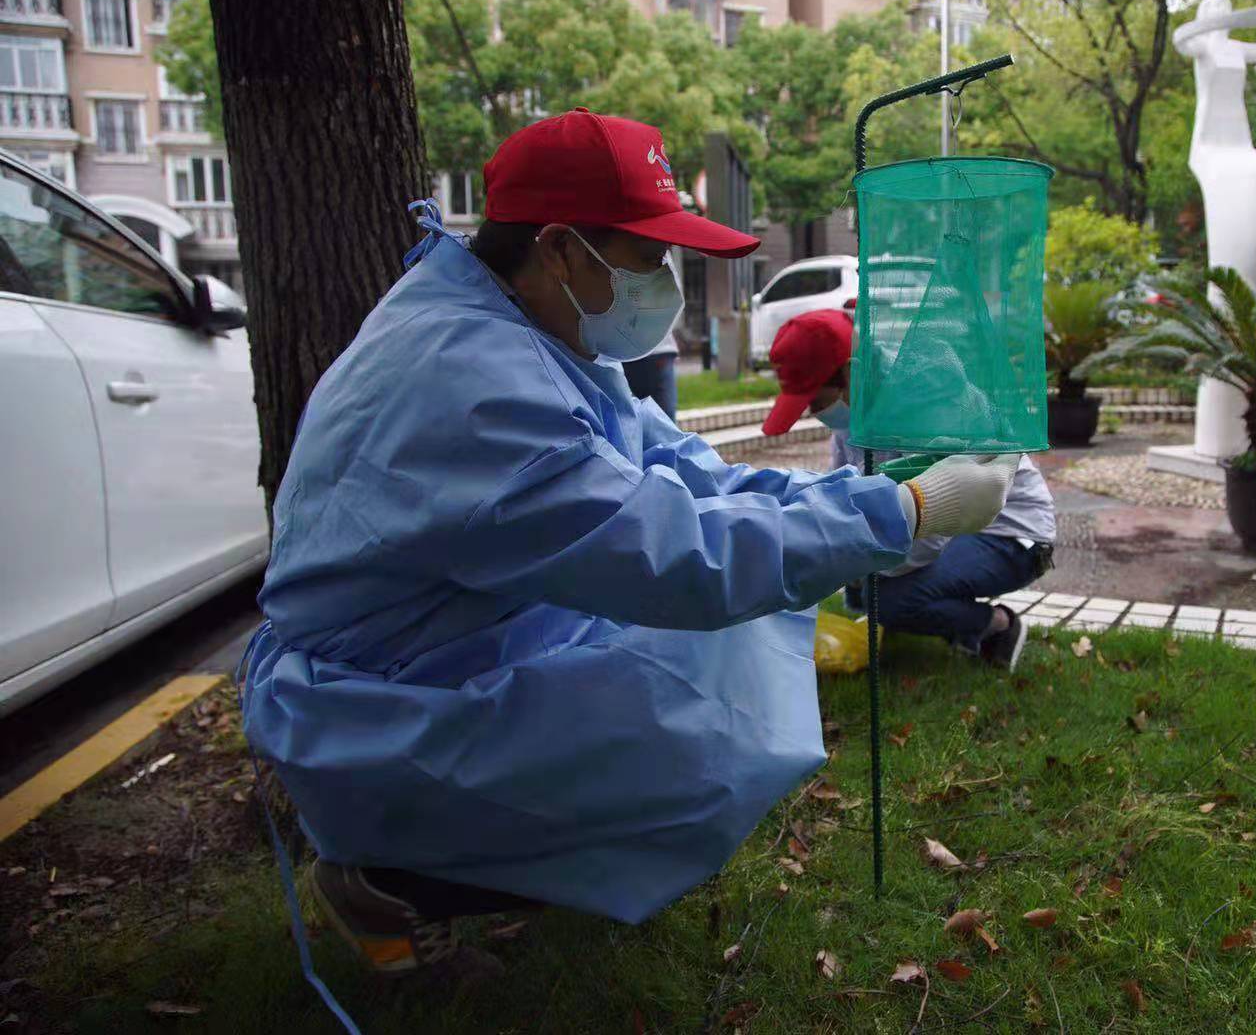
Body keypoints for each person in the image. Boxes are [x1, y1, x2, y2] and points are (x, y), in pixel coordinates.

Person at [237, 109, 1019, 975]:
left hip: (449, 644)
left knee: (728, 662)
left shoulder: (526, 327)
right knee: (697, 745)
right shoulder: (473, 384)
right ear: (562, 248)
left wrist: (864, 494)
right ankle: (393, 873)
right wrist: (903, 514)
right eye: (648, 258)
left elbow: (684, 475)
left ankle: (471, 854)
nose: (664, 281)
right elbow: (676, 554)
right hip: (375, 706)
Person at [763, 309, 1056, 671]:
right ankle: (945, 621)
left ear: (851, 372)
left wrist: (860, 561)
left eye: (817, 402)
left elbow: (936, 523)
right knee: (863, 586)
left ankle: (996, 626)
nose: (814, 412)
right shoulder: (857, 408)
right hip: (946, 526)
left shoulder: (927, 397)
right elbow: (847, 488)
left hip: (1007, 533)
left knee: (887, 599)